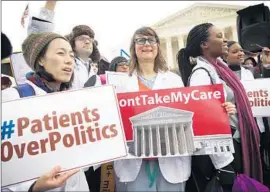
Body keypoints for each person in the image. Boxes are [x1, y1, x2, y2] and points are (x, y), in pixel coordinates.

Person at [113, 26, 235, 192]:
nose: (146, 44)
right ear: (133, 47)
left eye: (151, 40)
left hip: (172, 163)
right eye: (140, 40)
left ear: (158, 46)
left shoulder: (174, 81)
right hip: (134, 164)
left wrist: (219, 112)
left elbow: (195, 117)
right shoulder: (119, 84)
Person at [177, 23, 263, 191]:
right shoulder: (201, 75)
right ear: (204, 45)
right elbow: (205, 125)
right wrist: (223, 163)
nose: (225, 40)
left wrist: (231, 108)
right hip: (224, 152)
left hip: (233, 142)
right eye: (218, 36)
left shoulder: (220, 70)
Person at [2, 32, 89, 192]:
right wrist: (32, 187)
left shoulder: (76, 99)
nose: (69, 60)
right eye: (60, 53)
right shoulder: (13, 98)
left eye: (71, 54)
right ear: (40, 60)